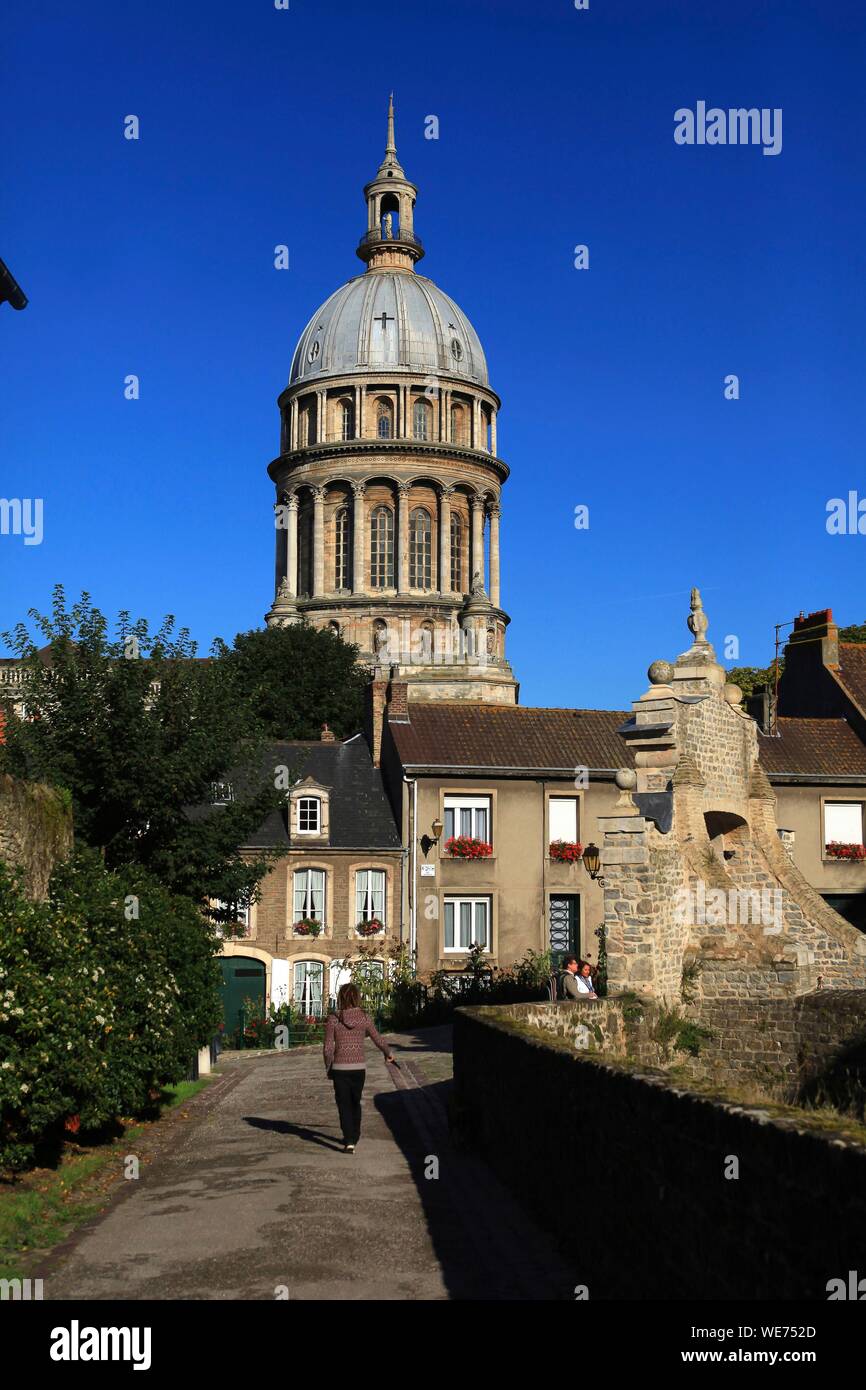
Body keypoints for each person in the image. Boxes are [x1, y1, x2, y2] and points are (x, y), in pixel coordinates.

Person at [323, 983, 395, 1152]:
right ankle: (355, 1135)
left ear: (341, 998)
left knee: (343, 1104)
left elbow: (327, 1048)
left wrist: (329, 1067)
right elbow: (377, 1038)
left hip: (339, 1068)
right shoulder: (364, 1017)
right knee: (355, 1102)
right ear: (357, 997)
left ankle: (349, 1140)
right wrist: (388, 1052)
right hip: (358, 1069)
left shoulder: (333, 1019)